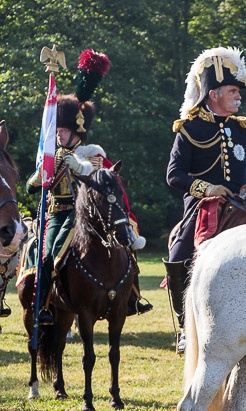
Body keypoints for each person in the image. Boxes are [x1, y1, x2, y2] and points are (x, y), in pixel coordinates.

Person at [165, 47, 246, 353]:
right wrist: (207, 189)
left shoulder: (240, 129)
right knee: (178, 253)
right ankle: (184, 325)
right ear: (214, 93)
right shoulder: (189, 129)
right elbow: (174, 176)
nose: (238, 97)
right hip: (202, 207)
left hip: (243, 206)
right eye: (233, 91)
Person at [26, 49, 151, 324]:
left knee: (124, 249)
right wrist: (39, 176)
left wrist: (80, 167)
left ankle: (133, 297)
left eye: (63, 130)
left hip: (84, 215)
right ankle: (43, 306)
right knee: (48, 257)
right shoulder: (52, 156)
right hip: (55, 214)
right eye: (56, 130)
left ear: (76, 131)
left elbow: (107, 184)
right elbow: (30, 189)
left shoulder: (93, 154)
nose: (58, 134)